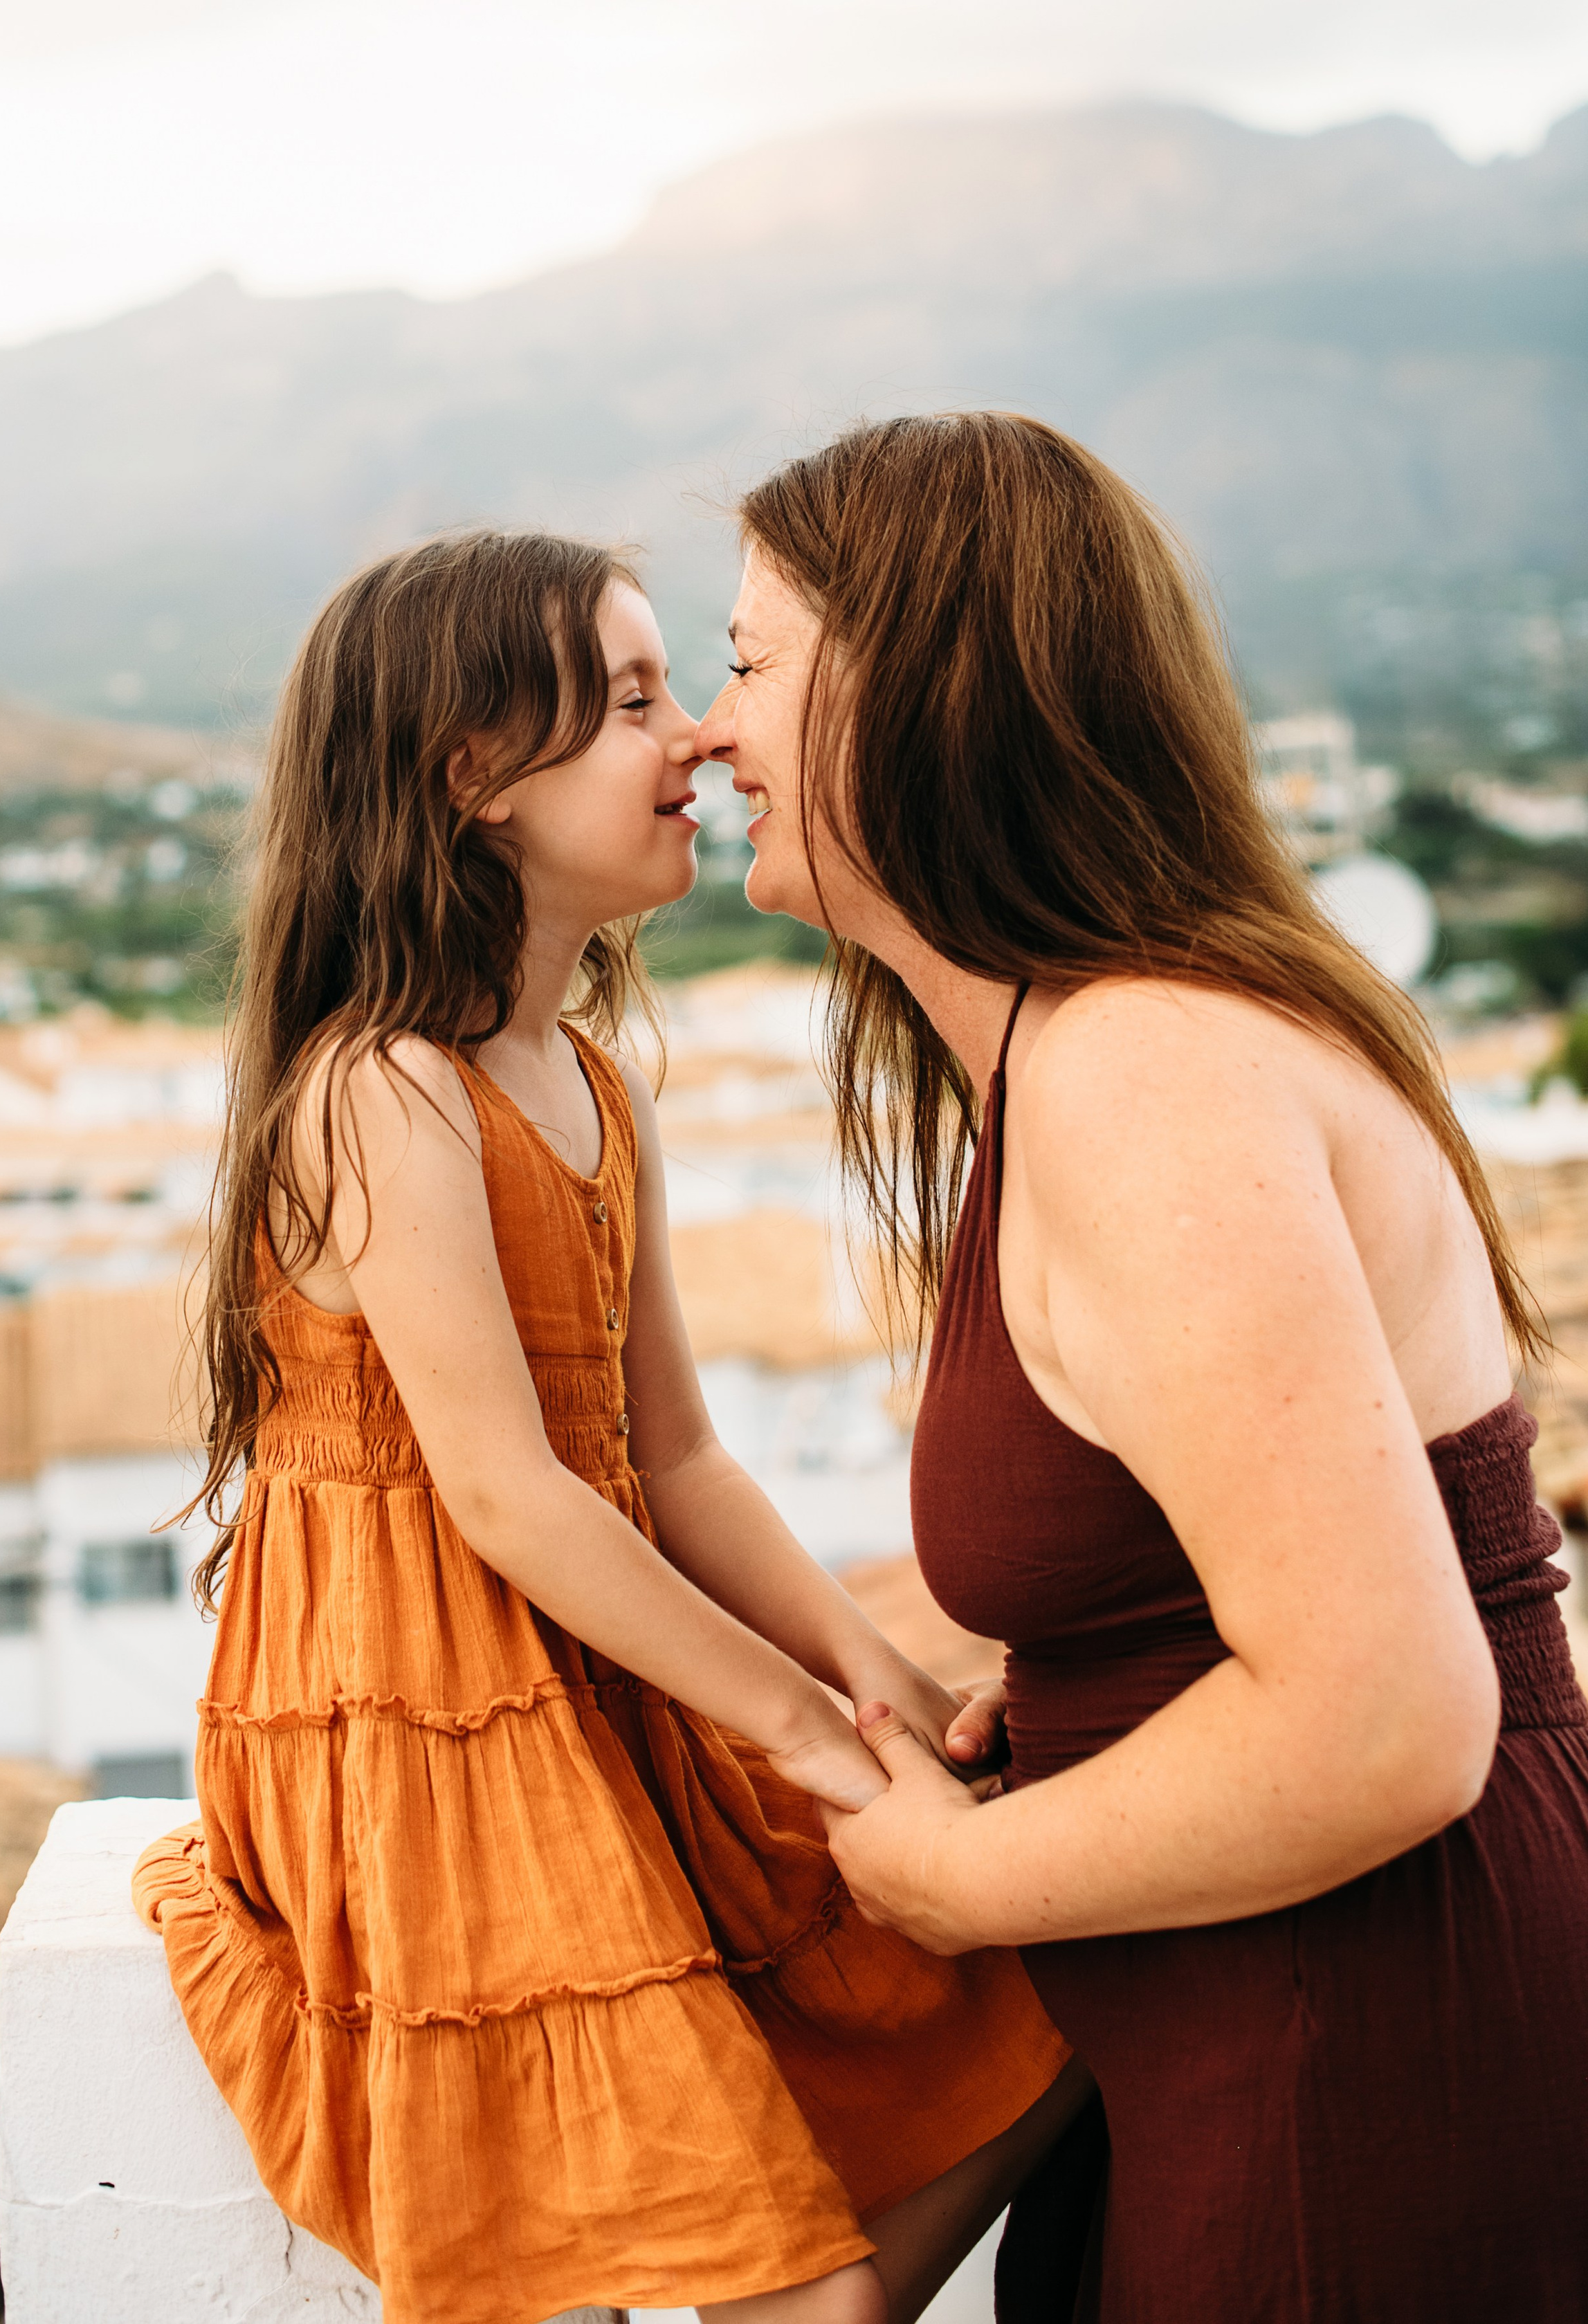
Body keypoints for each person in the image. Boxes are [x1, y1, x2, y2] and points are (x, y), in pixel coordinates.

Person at [692, 412, 1588, 2323]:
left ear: (916, 693)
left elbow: (1385, 1721)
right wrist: (1096, 1703)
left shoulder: (1141, 1076)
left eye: (751, 662)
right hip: (1249, 2021)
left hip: (1351, 2041)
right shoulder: (1086, 1062)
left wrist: (950, 1884)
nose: (710, 728)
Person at [134, 531, 1084, 2324]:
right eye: (634, 700)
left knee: (1033, 2008)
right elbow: (506, 1495)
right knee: (799, 2275)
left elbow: (686, 1466)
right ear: (474, 778)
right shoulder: (379, 1090)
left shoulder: (594, 1083)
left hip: (575, 1682)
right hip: (413, 1717)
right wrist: (805, 1731)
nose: (698, 742)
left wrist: (887, 1686)